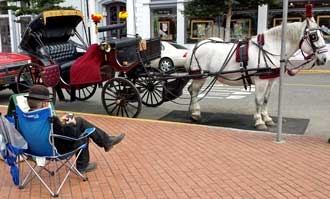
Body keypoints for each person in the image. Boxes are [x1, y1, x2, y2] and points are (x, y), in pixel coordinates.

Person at [26, 85, 125, 173]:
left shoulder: (23, 118)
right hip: (54, 151)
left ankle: (107, 141)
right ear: (44, 104)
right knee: (82, 134)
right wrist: (71, 124)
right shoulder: (50, 121)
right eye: (47, 102)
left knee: (80, 121)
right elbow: (72, 135)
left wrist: (60, 122)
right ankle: (83, 166)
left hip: (34, 150)